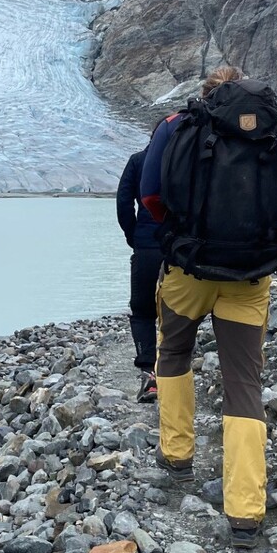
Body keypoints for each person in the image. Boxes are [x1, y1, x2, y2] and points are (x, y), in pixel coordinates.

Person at [139, 65, 277, 550]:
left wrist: (182, 233)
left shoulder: (176, 127)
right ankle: (245, 513)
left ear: (205, 94)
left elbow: (150, 194)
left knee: (173, 354)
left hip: (188, 269)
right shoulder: (270, 129)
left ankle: (178, 456)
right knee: (244, 382)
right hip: (249, 275)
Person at [116, 139, 160, 402]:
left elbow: (123, 203)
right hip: (184, 248)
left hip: (147, 246)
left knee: (143, 312)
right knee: (177, 312)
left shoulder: (138, 160)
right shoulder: (189, 156)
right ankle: (176, 372)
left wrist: (135, 237)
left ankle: (149, 374)